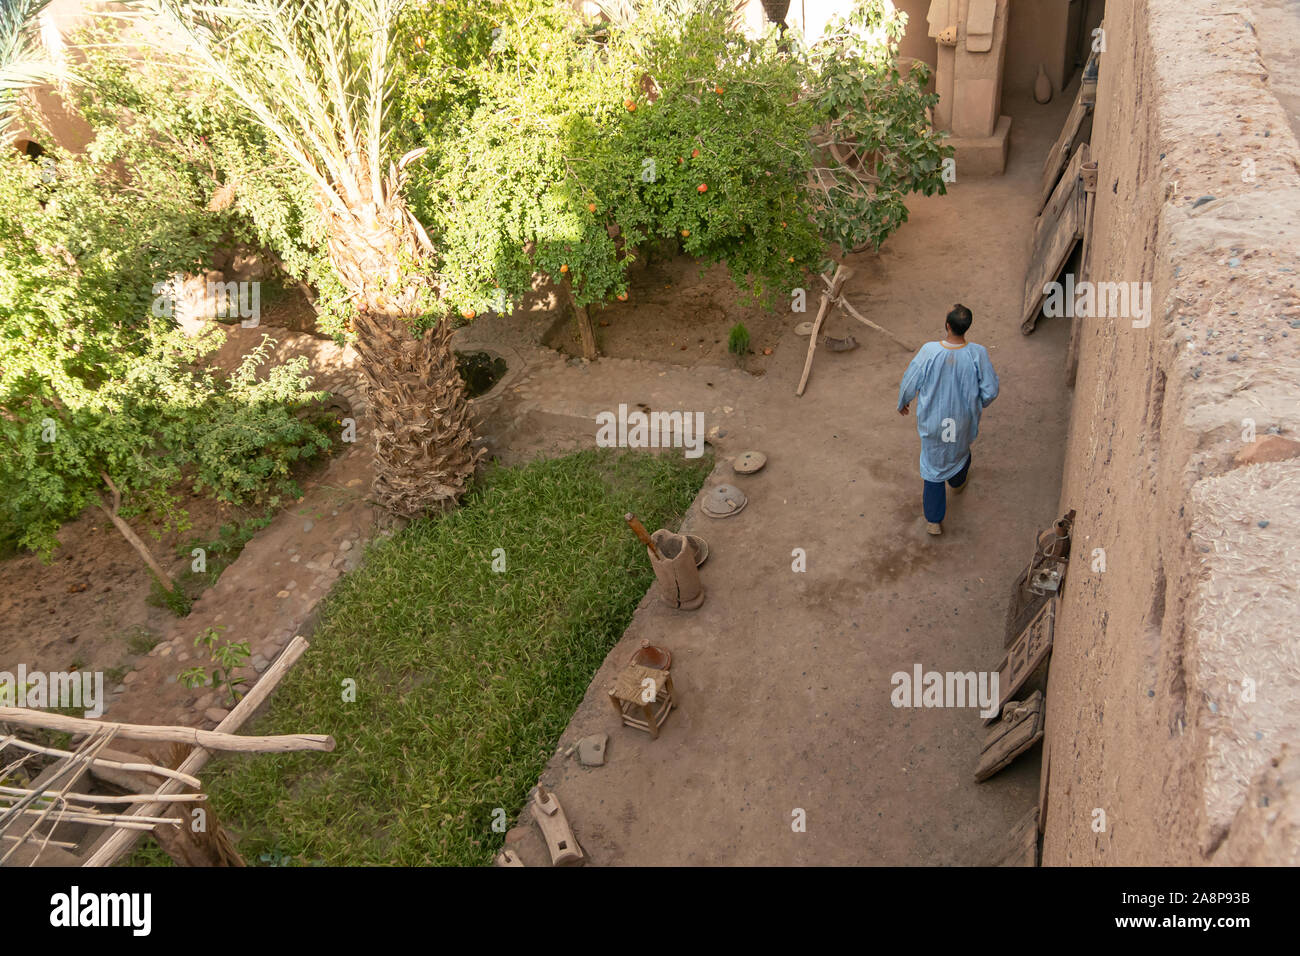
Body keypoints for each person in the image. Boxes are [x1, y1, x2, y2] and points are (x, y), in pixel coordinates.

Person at [897, 304, 999, 535]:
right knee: (960, 453)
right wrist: (975, 404)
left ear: (947, 325)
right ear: (966, 328)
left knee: (932, 467)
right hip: (961, 422)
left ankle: (934, 521)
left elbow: (910, 379)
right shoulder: (977, 353)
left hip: (934, 423)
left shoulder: (929, 351)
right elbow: (991, 390)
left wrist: (903, 401)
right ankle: (957, 483)